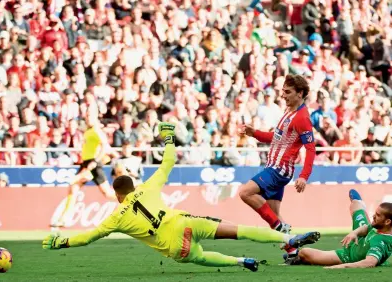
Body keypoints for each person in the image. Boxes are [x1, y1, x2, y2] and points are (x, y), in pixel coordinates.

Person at [43, 123, 321, 271]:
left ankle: (241, 262)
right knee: (242, 230)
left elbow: (87, 237)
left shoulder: (116, 217)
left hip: (176, 246)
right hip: (187, 222)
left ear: (117, 194)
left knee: (200, 258)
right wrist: (167, 137)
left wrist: (60, 241)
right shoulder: (147, 187)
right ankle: (288, 238)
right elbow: (168, 162)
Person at [238, 74, 316, 257]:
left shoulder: (302, 118)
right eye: (282, 92)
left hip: (279, 170)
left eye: (287, 92)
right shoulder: (289, 112)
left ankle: (282, 228)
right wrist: (254, 133)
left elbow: (311, 150)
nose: (283, 96)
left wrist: (304, 176)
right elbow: (276, 138)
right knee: (273, 214)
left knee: (245, 192)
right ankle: (293, 251)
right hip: (273, 167)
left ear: (300, 93)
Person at [287, 189, 392, 268]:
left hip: (347, 256)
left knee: (304, 252)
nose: (373, 216)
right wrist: (354, 233)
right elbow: (366, 228)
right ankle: (359, 203)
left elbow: (370, 262)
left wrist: (342, 266)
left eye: (378, 215)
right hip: (358, 240)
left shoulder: (381, 242)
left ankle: (296, 258)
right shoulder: (377, 226)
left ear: (387, 222)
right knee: (355, 204)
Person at [50, 112, 118, 227]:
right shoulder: (88, 131)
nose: (87, 119)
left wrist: (96, 161)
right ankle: (64, 219)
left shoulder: (96, 131)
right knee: (74, 187)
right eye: (86, 117)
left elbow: (105, 147)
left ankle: (130, 197)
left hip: (92, 163)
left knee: (107, 193)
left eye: (90, 116)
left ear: (95, 118)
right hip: (86, 163)